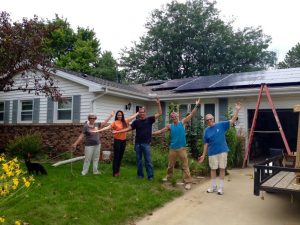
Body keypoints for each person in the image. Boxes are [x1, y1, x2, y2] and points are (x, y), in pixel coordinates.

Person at [153, 98, 201, 190]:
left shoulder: (182, 122)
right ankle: (169, 177)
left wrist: (197, 105)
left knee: (185, 165)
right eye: (172, 117)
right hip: (172, 149)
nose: (174, 118)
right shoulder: (169, 126)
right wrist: (151, 133)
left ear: (177, 116)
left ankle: (187, 182)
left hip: (182, 149)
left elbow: (191, 114)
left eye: (175, 116)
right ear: (171, 118)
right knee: (170, 165)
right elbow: (160, 131)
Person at [113, 97, 162, 180]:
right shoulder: (136, 122)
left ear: (145, 113)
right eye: (140, 112)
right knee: (139, 161)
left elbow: (160, 113)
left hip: (146, 144)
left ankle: (150, 176)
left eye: (143, 112)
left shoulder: (150, 119)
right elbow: (128, 129)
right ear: (138, 113)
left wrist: (158, 103)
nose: (142, 114)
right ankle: (140, 175)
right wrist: (118, 132)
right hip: (137, 144)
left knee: (148, 161)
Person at [198, 102, 241, 195]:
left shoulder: (221, 125)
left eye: (210, 119)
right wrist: (203, 155)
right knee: (213, 169)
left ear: (213, 119)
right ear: (206, 121)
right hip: (212, 152)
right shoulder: (206, 131)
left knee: (222, 168)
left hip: (222, 151)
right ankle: (213, 186)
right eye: (207, 120)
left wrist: (237, 110)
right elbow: (205, 144)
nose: (209, 121)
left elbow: (232, 121)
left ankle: (221, 188)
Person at [93, 110, 139, 177]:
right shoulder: (114, 123)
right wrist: (98, 130)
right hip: (117, 141)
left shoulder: (125, 121)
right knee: (116, 157)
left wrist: (138, 112)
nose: (119, 116)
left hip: (123, 141)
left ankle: (118, 171)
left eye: (120, 115)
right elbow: (107, 127)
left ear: (122, 115)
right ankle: (115, 173)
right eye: (118, 115)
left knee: (120, 157)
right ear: (116, 116)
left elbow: (132, 117)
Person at [72, 111, 114, 175]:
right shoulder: (86, 126)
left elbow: (104, 123)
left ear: (95, 119)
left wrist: (111, 116)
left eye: (94, 118)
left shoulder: (97, 124)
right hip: (89, 145)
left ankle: (95, 171)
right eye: (91, 118)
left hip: (97, 144)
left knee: (96, 158)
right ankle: (84, 172)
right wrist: (75, 143)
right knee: (87, 159)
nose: (92, 119)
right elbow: (81, 135)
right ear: (88, 118)